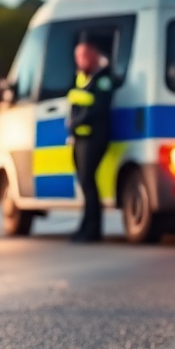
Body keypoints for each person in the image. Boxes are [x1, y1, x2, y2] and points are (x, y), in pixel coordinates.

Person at [66, 41, 114, 243]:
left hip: (95, 138)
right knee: (85, 183)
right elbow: (76, 103)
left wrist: (77, 121)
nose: (81, 60)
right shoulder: (81, 79)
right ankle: (85, 227)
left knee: (88, 182)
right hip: (80, 139)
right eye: (78, 56)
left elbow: (99, 108)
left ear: (94, 56)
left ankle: (93, 229)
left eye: (85, 56)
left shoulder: (103, 79)